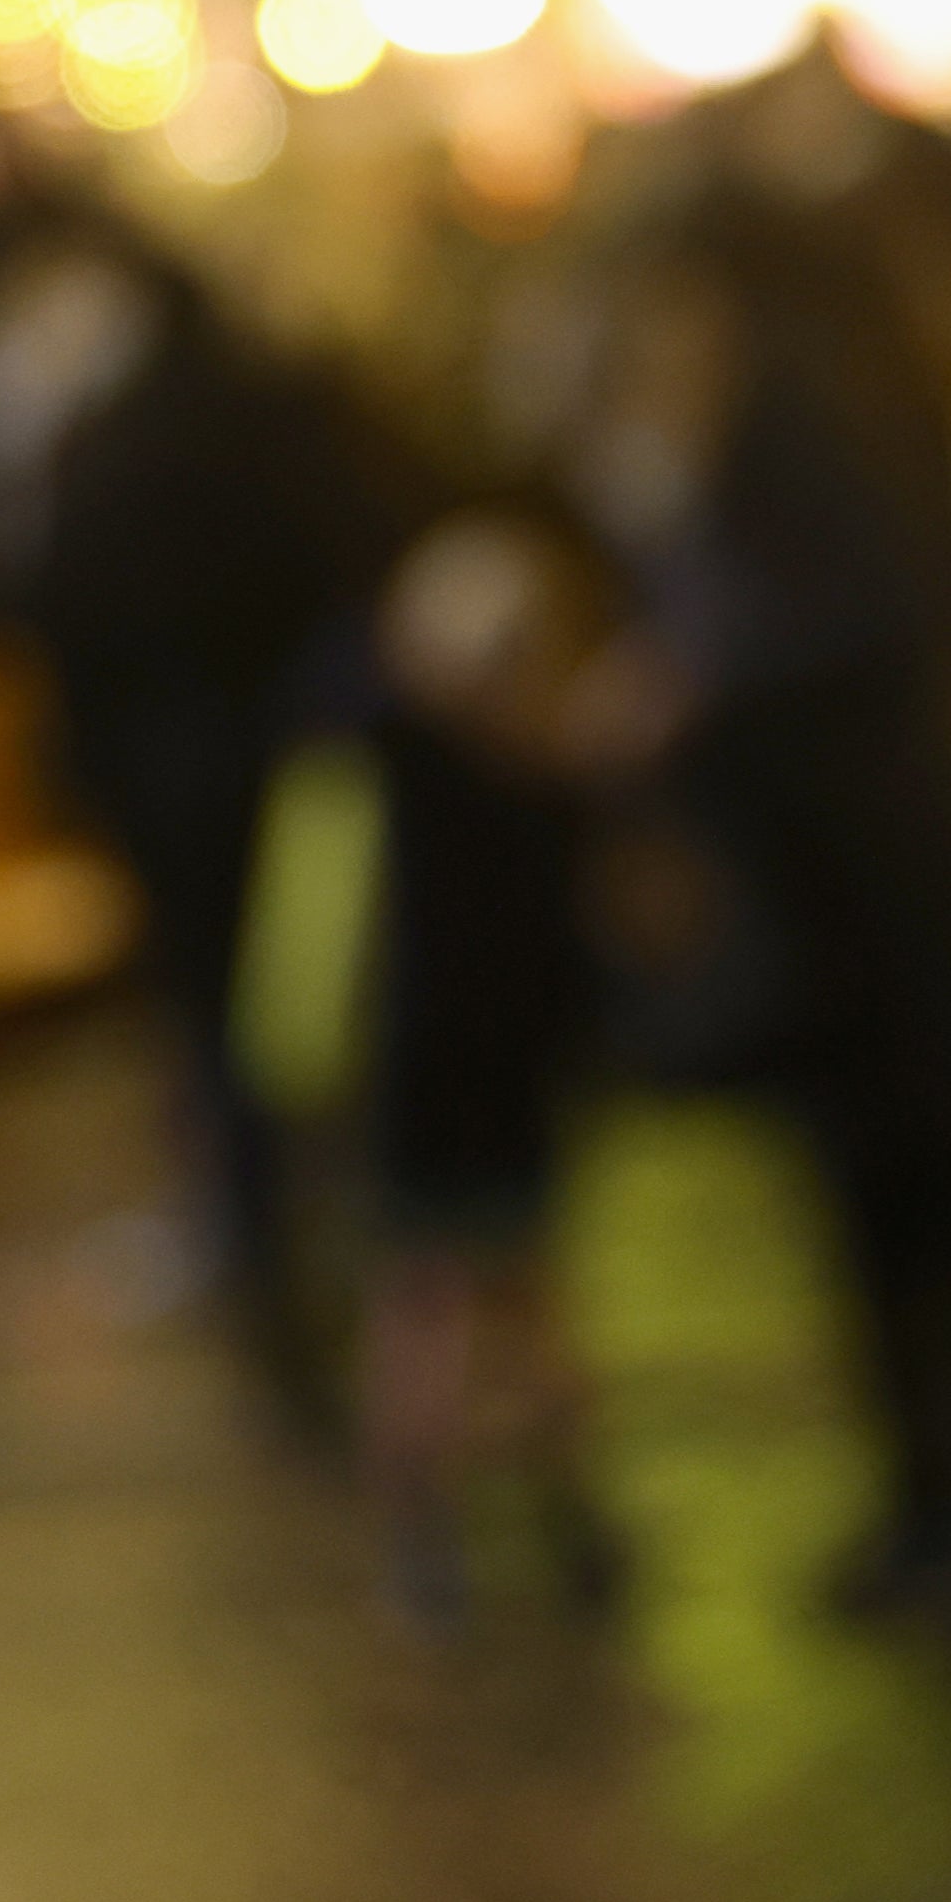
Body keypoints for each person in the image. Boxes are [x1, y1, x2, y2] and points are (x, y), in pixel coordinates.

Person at [575, 251, 951, 1617]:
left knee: (943, 1221)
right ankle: (944, 1502)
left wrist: (690, 691)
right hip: (829, 931)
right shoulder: (723, 450)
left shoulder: (791, 445)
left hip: (885, 920)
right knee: (884, 1225)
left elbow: (855, 631)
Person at [0, 206, 382, 1386]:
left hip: (219, 778)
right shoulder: (181, 414)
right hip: (226, 773)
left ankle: (281, 1249)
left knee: (261, 1023)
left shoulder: (166, 428)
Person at [348, 511, 623, 1628]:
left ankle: (487, 1515)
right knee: (469, 1304)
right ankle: (490, 1514)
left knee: (463, 1301)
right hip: (470, 1085)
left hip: (442, 1084)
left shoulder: (396, 769)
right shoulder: (502, 787)